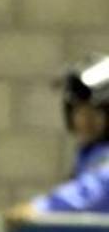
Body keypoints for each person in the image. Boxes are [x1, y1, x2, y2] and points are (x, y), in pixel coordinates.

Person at [11, 55, 109, 218]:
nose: (84, 121)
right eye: (78, 111)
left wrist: (41, 208)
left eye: (95, 113)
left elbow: (96, 188)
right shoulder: (88, 156)